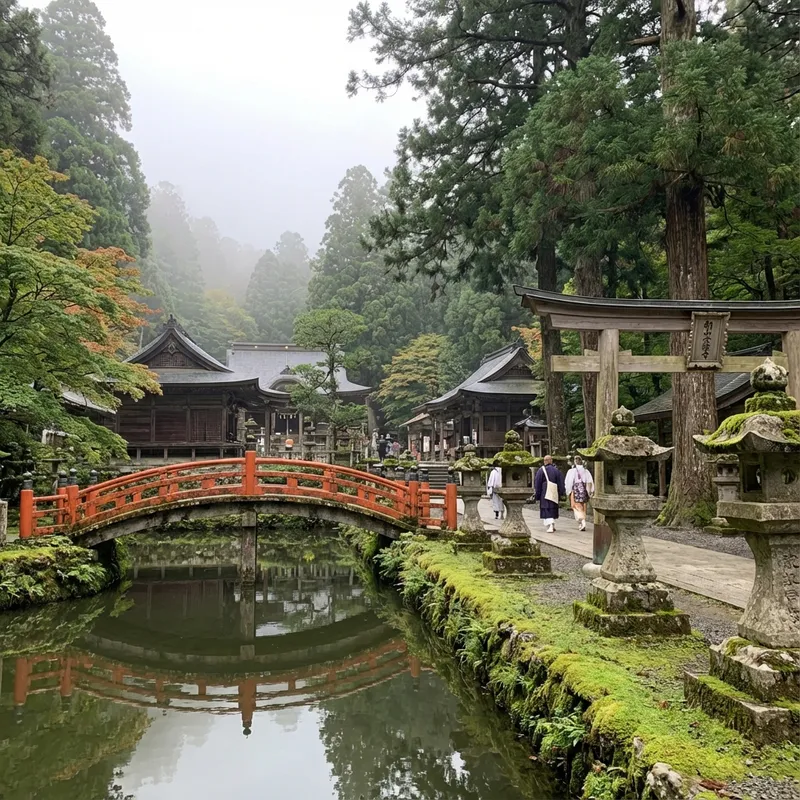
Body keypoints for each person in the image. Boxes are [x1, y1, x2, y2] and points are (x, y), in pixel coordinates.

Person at [534, 454, 565, 534]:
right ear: (551, 461)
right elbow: (561, 482)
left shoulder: (541, 470)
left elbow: (537, 483)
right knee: (553, 507)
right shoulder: (556, 471)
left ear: (545, 461)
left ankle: (550, 525)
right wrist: (561, 493)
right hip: (554, 491)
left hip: (545, 492)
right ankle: (552, 525)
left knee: (546, 508)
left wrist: (537, 495)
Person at [565, 455, 594, 531]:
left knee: (576, 506)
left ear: (574, 461)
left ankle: (582, 521)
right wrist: (590, 491)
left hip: (575, 491)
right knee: (583, 507)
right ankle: (582, 522)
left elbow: (569, 482)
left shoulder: (571, 471)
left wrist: (568, 491)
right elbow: (590, 482)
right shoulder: (586, 471)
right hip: (584, 491)